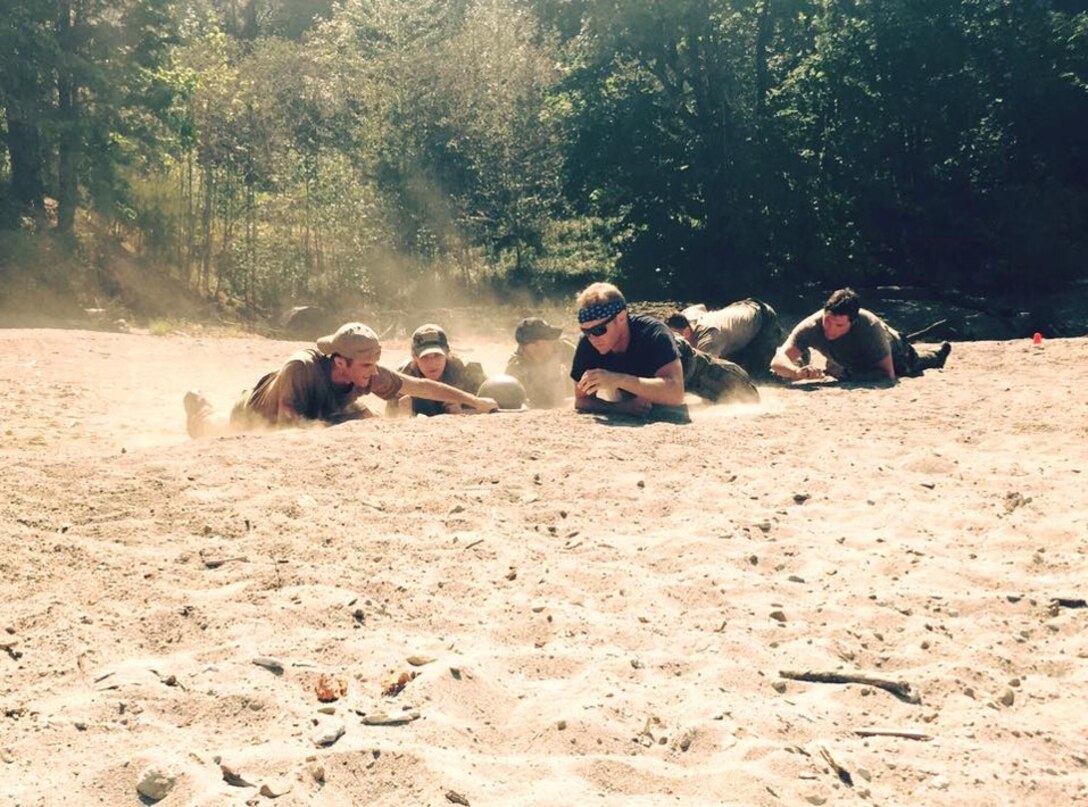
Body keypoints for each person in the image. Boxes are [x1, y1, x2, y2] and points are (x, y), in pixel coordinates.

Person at [184, 322, 497, 437]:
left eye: (375, 363)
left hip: (318, 412)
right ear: (339, 362)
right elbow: (288, 430)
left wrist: (475, 401)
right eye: (366, 365)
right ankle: (198, 404)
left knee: (365, 417)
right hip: (254, 413)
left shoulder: (364, 370)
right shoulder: (300, 369)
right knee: (213, 427)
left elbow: (420, 386)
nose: (374, 372)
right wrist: (355, 421)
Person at [570, 282, 757, 417]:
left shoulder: (653, 332)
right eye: (586, 331)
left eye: (599, 330)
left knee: (750, 399)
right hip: (645, 383)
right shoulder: (588, 343)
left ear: (621, 318)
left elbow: (674, 393)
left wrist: (617, 379)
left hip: (695, 370)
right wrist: (622, 408)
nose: (593, 338)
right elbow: (582, 400)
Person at [770, 287, 952, 383]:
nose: (830, 329)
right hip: (850, 359)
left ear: (853, 322)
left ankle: (937, 354)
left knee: (912, 364)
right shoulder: (811, 325)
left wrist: (845, 374)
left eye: (838, 325)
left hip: (896, 350)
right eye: (828, 321)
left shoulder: (869, 327)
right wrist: (796, 372)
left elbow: (887, 374)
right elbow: (778, 359)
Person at [665, 298, 783, 378]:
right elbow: (700, 307)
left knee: (753, 375)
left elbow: (704, 370)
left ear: (686, 332)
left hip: (764, 321)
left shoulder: (709, 336)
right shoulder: (688, 317)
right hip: (741, 307)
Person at [386, 324, 487, 417]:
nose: (432, 363)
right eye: (424, 357)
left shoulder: (467, 370)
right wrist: (402, 414)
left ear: (447, 353)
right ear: (414, 357)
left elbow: (492, 407)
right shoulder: (403, 378)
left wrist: (464, 412)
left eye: (437, 355)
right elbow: (389, 417)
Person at [504, 317, 576, 408]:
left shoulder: (565, 349)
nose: (552, 342)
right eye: (547, 340)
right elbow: (512, 400)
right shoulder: (515, 368)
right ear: (536, 345)